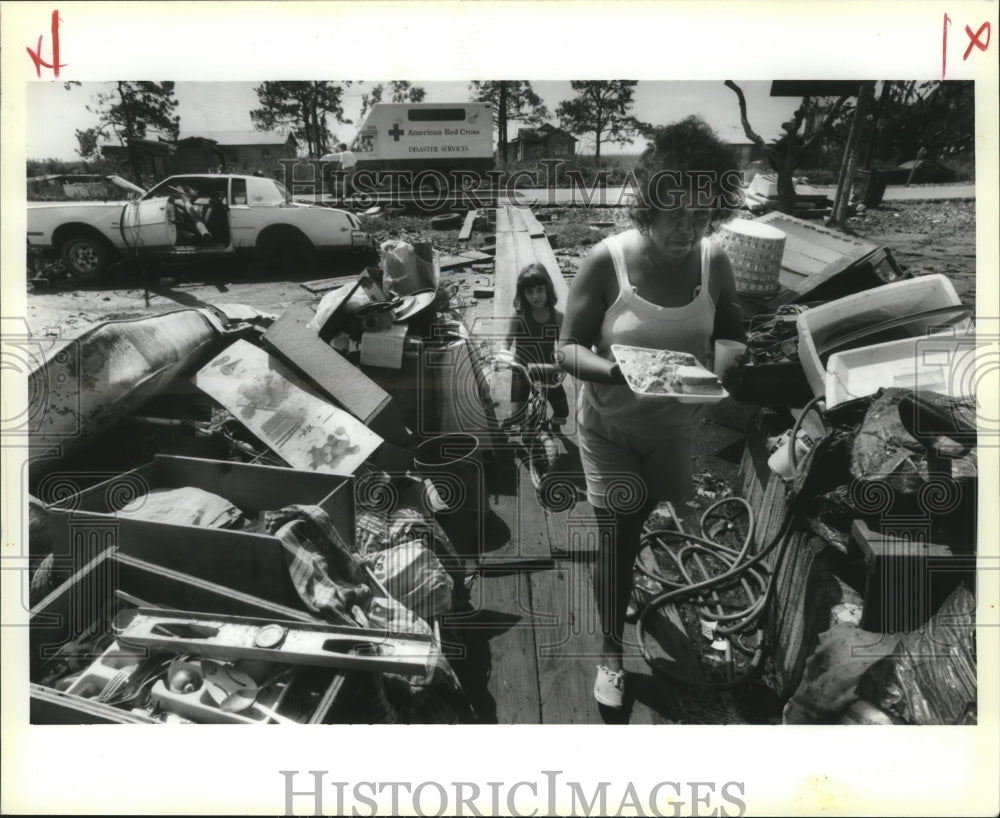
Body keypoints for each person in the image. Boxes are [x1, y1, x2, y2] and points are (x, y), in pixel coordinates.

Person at [557, 116, 746, 710]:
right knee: (616, 539)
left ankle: (625, 590)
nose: (686, 230)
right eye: (675, 215)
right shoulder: (605, 261)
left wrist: (724, 370)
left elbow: (735, 334)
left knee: (643, 520)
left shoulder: (715, 261)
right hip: (610, 426)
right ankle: (611, 654)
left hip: (673, 431)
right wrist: (619, 370)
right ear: (650, 205)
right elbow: (565, 348)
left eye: (701, 215)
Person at [501, 263, 569, 429]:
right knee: (516, 416)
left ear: (548, 289)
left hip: (547, 368)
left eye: (540, 289)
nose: (535, 295)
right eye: (529, 291)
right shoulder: (519, 315)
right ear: (523, 294)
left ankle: (553, 423)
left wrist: (561, 364)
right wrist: (503, 354)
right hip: (522, 368)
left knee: (563, 413)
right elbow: (506, 341)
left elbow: (563, 347)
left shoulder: (557, 317)